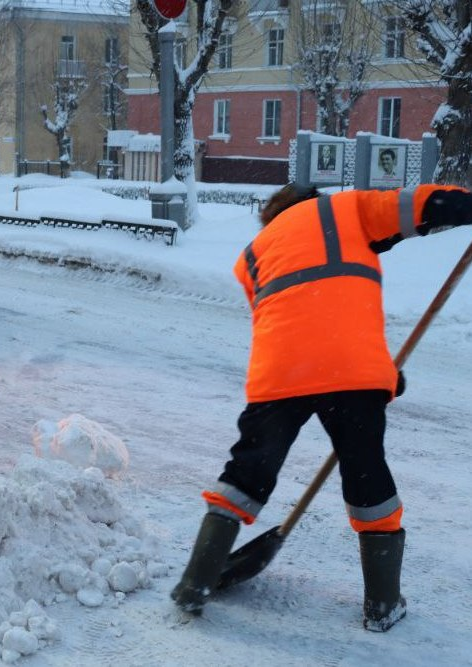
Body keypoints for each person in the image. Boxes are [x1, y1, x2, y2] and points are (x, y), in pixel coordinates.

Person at [169, 182, 472, 632]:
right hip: (350, 370)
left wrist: (381, 375)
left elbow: (298, 319)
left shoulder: (252, 255)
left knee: (249, 470)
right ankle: (382, 605)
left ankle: (195, 584)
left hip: (279, 373)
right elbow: (424, 205)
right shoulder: (345, 209)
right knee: (367, 473)